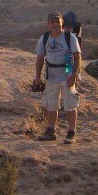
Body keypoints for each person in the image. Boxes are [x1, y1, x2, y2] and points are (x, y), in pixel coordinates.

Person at [33, 11, 81, 144]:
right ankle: (51, 131)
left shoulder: (69, 37)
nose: (55, 24)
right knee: (51, 105)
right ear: (48, 24)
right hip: (51, 75)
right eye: (52, 22)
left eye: (57, 21)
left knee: (70, 105)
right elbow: (40, 57)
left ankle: (71, 132)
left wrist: (73, 75)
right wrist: (37, 77)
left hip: (67, 73)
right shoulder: (44, 38)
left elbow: (77, 57)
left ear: (62, 23)